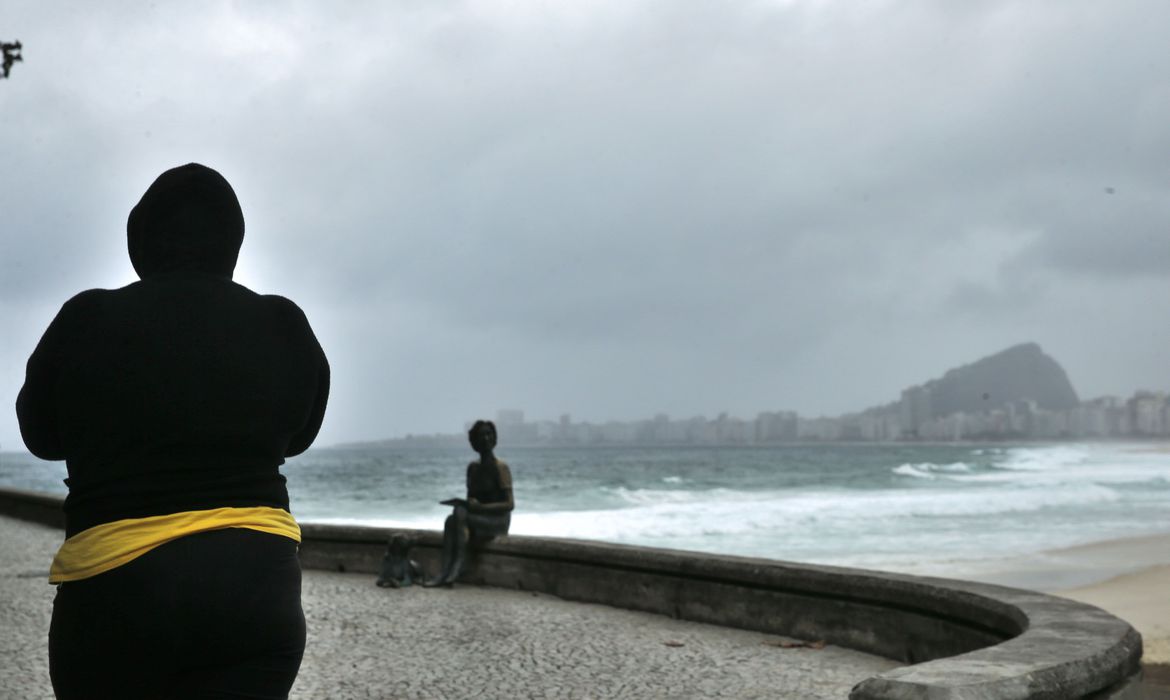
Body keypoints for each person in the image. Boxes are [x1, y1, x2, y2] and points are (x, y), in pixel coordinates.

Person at [16, 163, 329, 700]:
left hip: (116, 587)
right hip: (257, 585)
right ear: (233, 243)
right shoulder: (282, 322)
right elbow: (297, 437)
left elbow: (40, 436)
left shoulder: (87, 317)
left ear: (139, 241)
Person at [426, 420, 514, 587]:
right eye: (482, 435)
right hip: (478, 519)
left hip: (497, 521)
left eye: (489, 434)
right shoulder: (472, 469)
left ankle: (456, 568)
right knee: (450, 520)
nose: (486, 438)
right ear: (475, 442)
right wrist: (470, 503)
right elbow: (471, 500)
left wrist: (480, 508)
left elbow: (509, 505)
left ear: (494, 439)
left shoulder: (501, 468)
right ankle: (444, 571)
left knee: (459, 515)